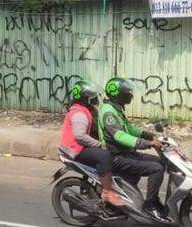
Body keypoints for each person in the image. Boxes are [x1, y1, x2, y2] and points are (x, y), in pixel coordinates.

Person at [99, 77, 168, 223]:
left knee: (161, 162)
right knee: (156, 169)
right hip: (116, 156)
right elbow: (119, 135)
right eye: (127, 92)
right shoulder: (108, 112)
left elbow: (129, 128)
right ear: (118, 93)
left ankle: (153, 200)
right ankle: (149, 205)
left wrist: (149, 135)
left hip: (126, 153)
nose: (130, 95)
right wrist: (147, 143)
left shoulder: (116, 108)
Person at [60, 80, 124, 207]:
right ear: (85, 99)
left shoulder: (86, 110)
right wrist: (99, 144)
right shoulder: (79, 113)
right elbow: (80, 136)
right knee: (103, 156)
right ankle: (107, 192)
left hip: (80, 147)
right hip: (74, 150)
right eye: (92, 97)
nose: (95, 99)